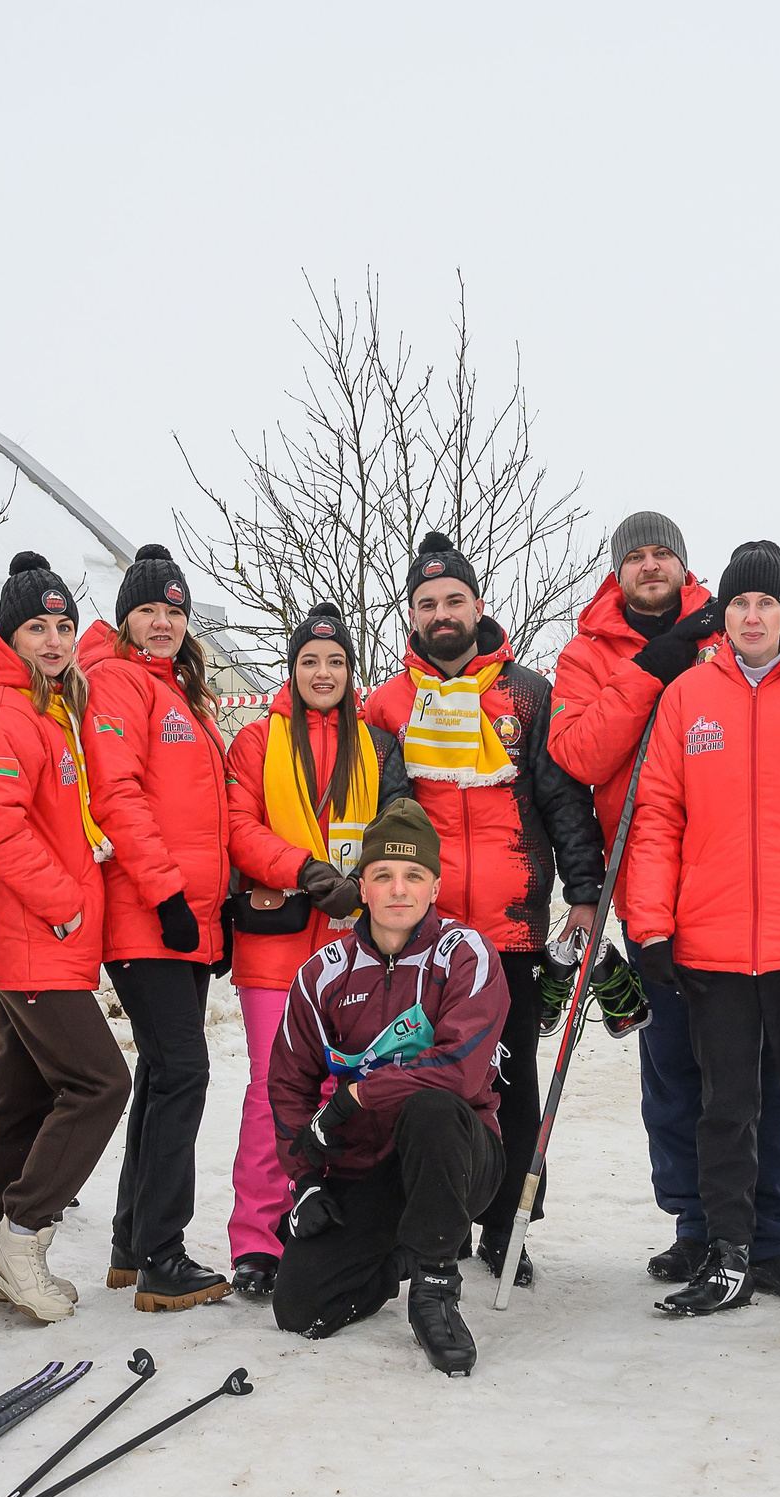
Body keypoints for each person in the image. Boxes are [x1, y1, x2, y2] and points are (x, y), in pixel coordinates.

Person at [548, 510, 780, 1300]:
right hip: (666, 901)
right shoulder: (591, 653)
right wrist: (652, 668)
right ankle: (702, 1229)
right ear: (618, 571)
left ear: (684, 566)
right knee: (682, 1081)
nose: (650, 566)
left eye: (663, 554)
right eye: (636, 557)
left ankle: (776, 1240)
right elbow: (580, 755)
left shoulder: (733, 617)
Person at [361, 531, 603, 1287]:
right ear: (411, 614)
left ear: (477, 605)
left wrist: (585, 892)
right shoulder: (387, 703)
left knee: (510, 1082)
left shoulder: (527, 693)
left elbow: (560, 799)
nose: (442, 614)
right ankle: (428, 1222)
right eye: (427, 603)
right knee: (420, 1079)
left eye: (454, 600)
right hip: (422, 935)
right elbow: (382, 814)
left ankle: (507, 1226)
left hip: (510, 924)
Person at [267, 798, 512, 1375]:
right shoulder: (322, 973)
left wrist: (356, 1096)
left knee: (431, 1107)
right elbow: (288, 1084)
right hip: (368, 1167)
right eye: (382, 875)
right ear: (363, 886)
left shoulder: (466, 954)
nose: (398, 889)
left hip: (461, 1157)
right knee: (301, 1308)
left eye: (413, 875)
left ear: (435, 886)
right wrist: (305, 1180)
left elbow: (461, 1072)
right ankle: (405, 1249)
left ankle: (434, 1288)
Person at [0, 551, 129, 1325]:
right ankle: (21, 1234)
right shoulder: (0, 709)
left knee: (19, 1091)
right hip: (32, 929)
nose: (54, 640)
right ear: (9, 635)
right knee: (100, 1082)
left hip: (40, 930)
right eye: (37, 627)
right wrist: (63, 903)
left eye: (63, 625)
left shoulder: (43, 704)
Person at [223, 602, 413, 1297]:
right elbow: (239, 826)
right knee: (271, 1093)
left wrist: (364, 883)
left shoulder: (378, 745)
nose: (323, 672)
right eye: (310, 660)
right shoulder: (255, 740)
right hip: (275, 947)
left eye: (336, 661)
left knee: (345, 1092)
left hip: (351, 946)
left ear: (351, 670)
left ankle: (335, 1232)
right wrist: (304, 869)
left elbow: (399, 823)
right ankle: (257, 1238)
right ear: (293, 667)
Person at [76, 544, 232, 1311]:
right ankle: (162, 1257)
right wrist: (168, 895)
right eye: (148, 610)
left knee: (165, 1074)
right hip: (146, 914)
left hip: (185, 919)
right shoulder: (118, 681)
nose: (163, 622)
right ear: (125, 618)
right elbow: (117, 794)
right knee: (183, 1072)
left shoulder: (181, 691)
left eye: (173, 610)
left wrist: (214, 909)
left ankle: (131, 1242)